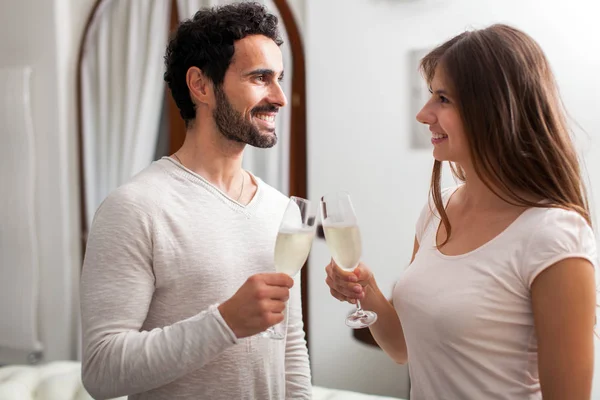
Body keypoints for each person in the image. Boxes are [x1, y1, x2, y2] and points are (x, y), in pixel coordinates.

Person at [325, 24, 597, 400]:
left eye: (443, 98)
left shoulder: (554, 235)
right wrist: (367, 290)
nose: (424, 114)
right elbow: (405, 347)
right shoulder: (439, 210)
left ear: (495, 108)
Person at [80, 3, 311, 399]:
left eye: (279, 79)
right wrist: (224, 322)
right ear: (201, 86)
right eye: (260, 78)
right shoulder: (134, 208)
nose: (280, 98)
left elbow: (289, 348)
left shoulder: (282, 210)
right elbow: (101, 369)